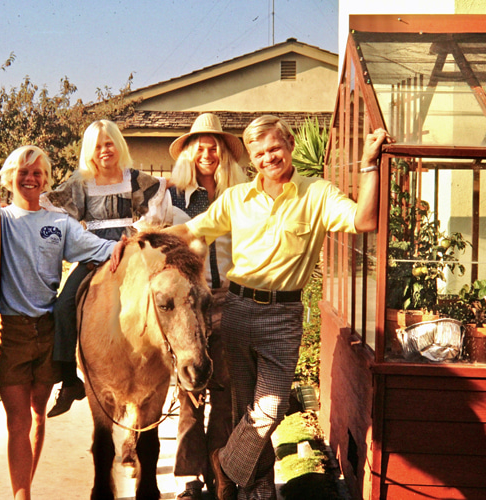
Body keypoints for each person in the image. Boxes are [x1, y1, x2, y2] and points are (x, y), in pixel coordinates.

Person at [166, 115, 391, 500]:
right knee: (244, 412)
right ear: (251, 159)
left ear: (288, 145)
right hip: (237, 310)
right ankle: (260, 491)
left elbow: (364, 220)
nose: (268, 157)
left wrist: (370, 164)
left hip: (282, 317)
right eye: (259, 152)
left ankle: (223, 463)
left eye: (275, 148)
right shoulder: (237, 199)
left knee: (267, 411)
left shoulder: (317, 194)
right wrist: (137, 239)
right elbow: (190, 230)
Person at [0, 145, 124, 500]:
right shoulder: (0, 222)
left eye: (38, 173)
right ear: (10, 177)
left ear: (46, 180)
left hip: (49, 332)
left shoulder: (59, 223)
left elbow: (98, 248)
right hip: (14, 333)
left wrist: (126, 245)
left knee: (39, 417)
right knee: (17, 422)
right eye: (23, 172)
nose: (31, 178)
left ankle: (25, 488)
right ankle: (21, 495)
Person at [41, 119, 172, 418]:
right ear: (90, 149)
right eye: (98, 145)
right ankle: (69, 379)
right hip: (93, 250)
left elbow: (163, 186)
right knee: (63, 307)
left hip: (131, 248)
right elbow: (51, 202)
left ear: (118, 145)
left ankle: (169, 361)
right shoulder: (82, 181)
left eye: (109, 143)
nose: (104, 150)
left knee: (160, 298)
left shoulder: (133, 178)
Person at [167, 113, 247, 500]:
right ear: (189, 151)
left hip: (230, 298)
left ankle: (220, 473)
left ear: (224, 154)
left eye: (214, 144)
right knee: (189, 391)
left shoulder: (241, 195)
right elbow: (152, 233)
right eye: (200, 144)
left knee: (225, 389)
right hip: (190, 303)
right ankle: (188, 479)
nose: (207, 151)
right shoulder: (173, 196)